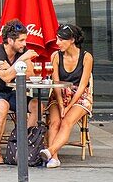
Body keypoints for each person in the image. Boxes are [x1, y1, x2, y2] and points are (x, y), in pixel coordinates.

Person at [0, 19, 40, 164]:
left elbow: (30, 73)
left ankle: (21, 141)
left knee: (36, 104)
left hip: (8, 92)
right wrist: (21, 60)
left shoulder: (20, 51)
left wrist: (12, 68)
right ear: (10, 40)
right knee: (2, 105)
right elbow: (5, 77)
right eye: (21, 40)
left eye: (25, 40)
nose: (24, 44)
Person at [40, 24, 94, 169]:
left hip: (79, 96)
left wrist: (68, 106)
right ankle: (54, 159)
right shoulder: (55, 56)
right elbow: (56, 83)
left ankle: (50, 151)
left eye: (60, 40)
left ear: (72, 40)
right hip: (59, 94)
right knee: (54, 123)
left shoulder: (86, 57)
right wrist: (61, 104)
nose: (57, 43)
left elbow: (83, 86)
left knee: (66, 122)